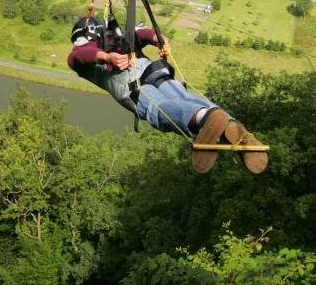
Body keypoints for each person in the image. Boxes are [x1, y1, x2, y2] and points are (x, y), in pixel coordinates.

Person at [67, 16, 267, 174]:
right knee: (185, 99)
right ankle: (231, 127)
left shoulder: (92, 52)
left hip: (133, 88)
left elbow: (80, 54)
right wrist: (156, 39)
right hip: (154, 72)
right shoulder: (106, 44)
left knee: (159, 108)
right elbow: (140, 34)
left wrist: (155, 40)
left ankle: (204, 118)